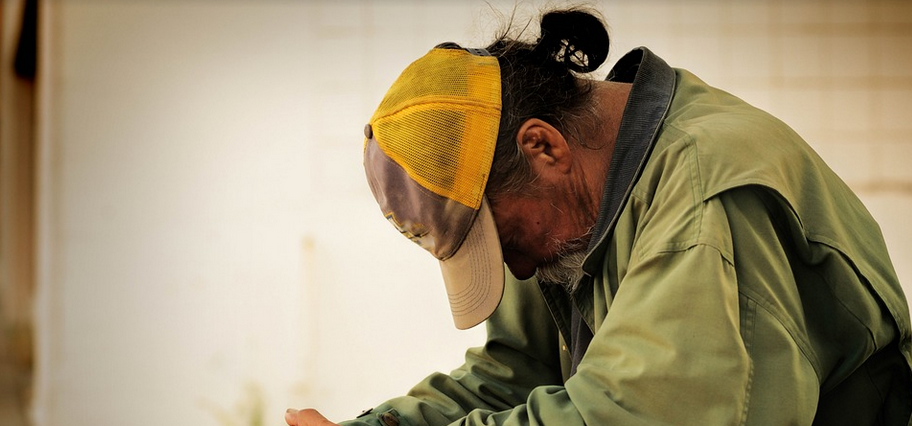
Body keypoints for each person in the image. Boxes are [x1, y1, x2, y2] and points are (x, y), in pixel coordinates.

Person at [286, 7, 912, 426]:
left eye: (501, 239)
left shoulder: (702, 188)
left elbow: (634, 413)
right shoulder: (562, 221)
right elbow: (517, 372)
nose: (517, 268)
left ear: (543, 147)